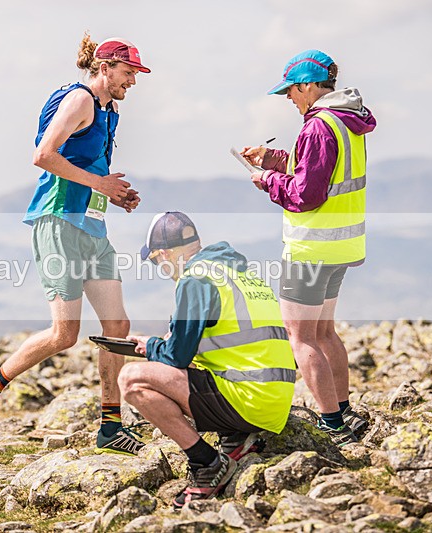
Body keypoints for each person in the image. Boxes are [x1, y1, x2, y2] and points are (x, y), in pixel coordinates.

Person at [0, 33, 150, 455]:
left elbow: (88, 165)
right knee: (65, 334)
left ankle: (110, 426)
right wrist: (98, 182)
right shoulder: (80, 100)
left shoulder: (110, 109)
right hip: (58, 221)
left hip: (92, 226)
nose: (134, 82)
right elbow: (43, 155)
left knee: (117, 328)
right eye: (129, 73)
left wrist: (113, 192)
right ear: (105, 68)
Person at [241, 50, 377, 445]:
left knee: (299, 336)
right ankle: (345, 411)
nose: (288, 98)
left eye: (290, 90)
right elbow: (316, 169)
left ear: (307, 85)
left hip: (311, 247)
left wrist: (267, 180)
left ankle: (332, 425)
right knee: (324, 332)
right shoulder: (346, 121)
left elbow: (306, 193)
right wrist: (272, 158)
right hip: (342, 245)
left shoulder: (317, 126)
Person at [123, 212, 296, 509]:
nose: (161, 269)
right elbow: (231, 341)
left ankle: (208, 463)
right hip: (273, 401)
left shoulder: (196, 279)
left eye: (155, 261)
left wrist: (151, 346)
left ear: (164, 254)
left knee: (132, 379)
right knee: (189, 363)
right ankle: (236, 437)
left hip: (250, 400)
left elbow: (177, 357)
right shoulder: (239, 273)